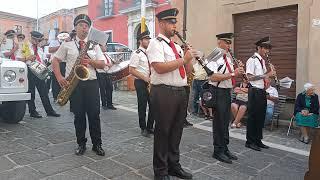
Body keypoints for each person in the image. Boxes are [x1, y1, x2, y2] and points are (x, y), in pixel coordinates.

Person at [147, 8, 197, 180]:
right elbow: (159, 68)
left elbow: (187, 71)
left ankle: (173, 165)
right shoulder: (155, 43)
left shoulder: (177, 46)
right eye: (171, 22)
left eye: (175, 22)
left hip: (180, 91)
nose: (174, 26)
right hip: (163, 92)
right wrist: (184, 59)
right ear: (161, 24)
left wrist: (189, 58)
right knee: (163, 132)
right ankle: (160, 171)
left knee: (176, 131)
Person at [52, 14, 106, 156]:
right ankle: (81, 143)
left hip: (92, 83)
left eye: (86, 25)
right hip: (75, 85)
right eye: (81, 25)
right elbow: (55, 60)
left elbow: (102, 64)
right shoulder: (67, 44)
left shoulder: (94, 45)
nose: (84, 28)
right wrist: (59, 77)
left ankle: (97, 144)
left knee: (95, 115)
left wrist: (91, 62)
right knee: (79, 116)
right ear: (75, 28)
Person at [207, 33, 243, 164]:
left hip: (227, 91)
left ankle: (225, 148)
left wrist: (238, 70)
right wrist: (233, 73)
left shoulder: (228, 58)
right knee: (219, 122)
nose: (229, 45)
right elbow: (212, 77)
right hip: (217, 91)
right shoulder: (213, 57)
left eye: (230, 43)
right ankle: (218, 150)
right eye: (226, 42)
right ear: (219, 43)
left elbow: (229, 76)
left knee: (225, 121)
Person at [15, 31, 60, 118]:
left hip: (39, 70)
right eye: (37, 40)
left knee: (44, 92)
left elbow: (42, 59)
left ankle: (49, 111)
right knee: (31, 91)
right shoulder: (24, 46)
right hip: (29, 70)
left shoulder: (39, 48)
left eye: (39, 41)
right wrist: (27, 58)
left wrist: (46, 61)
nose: (38, 42)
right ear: (32, 38)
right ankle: (33, 111)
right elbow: (18, 60)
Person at [245, 36, 275, 151]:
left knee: (260, 117)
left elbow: (262, 78)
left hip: (262, 91)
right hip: (254, 91)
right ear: (259, 47)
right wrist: (266, 75)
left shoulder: (262, 61)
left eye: (268, 49)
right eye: (266, 48)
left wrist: (268, 78)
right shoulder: (252, 60)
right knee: (253, 117)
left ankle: (258, 140)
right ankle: (250, 141)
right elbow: (249, 78)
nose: (268, 51)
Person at [129, 30, 154, 137]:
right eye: (146, 39)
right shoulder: (136, 53)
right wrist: (144, 77)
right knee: (142, 106)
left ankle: (150, 127)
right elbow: (131, 70)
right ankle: (143, 128)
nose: (148, 41)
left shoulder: (150, 53)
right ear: (140, 41)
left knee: (153, 105)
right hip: (140, 82)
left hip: (151, 82)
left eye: (149, 39)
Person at [48, 31, 69, 102]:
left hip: (64, 63)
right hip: (56, 62)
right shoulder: (54, 41)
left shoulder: (69, 42)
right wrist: (61, 46)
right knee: (55, 80)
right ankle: (55, 97)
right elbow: (50, 50)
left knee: (65, 79)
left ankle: (64, 96)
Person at [97, 44, 113, 110]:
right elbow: (98, 63)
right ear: (100, 47)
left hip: (108, 73)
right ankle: (104, 104)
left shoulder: (107, 55)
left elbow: (110, 62)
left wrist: (112, 63)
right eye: (105, 46)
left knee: (110, 88)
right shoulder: (98, 55)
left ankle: (110, 104)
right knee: (103, 89)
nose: (106, 47)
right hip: (101, 73)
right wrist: (107, 64)